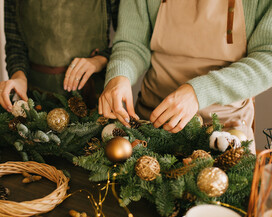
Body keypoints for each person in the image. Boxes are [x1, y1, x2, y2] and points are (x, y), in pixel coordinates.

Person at [99, 0, 272, 150]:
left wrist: (198, 92)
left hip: (225, 131)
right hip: (150, 123)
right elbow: (132, 42)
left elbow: (268, 56)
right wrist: (120, 74)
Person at [0, 0, 119, 111]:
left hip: (95, 100)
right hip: (36, 101)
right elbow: (16, 45)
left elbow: (128, 44)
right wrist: (18, 77)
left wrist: (99, 60)